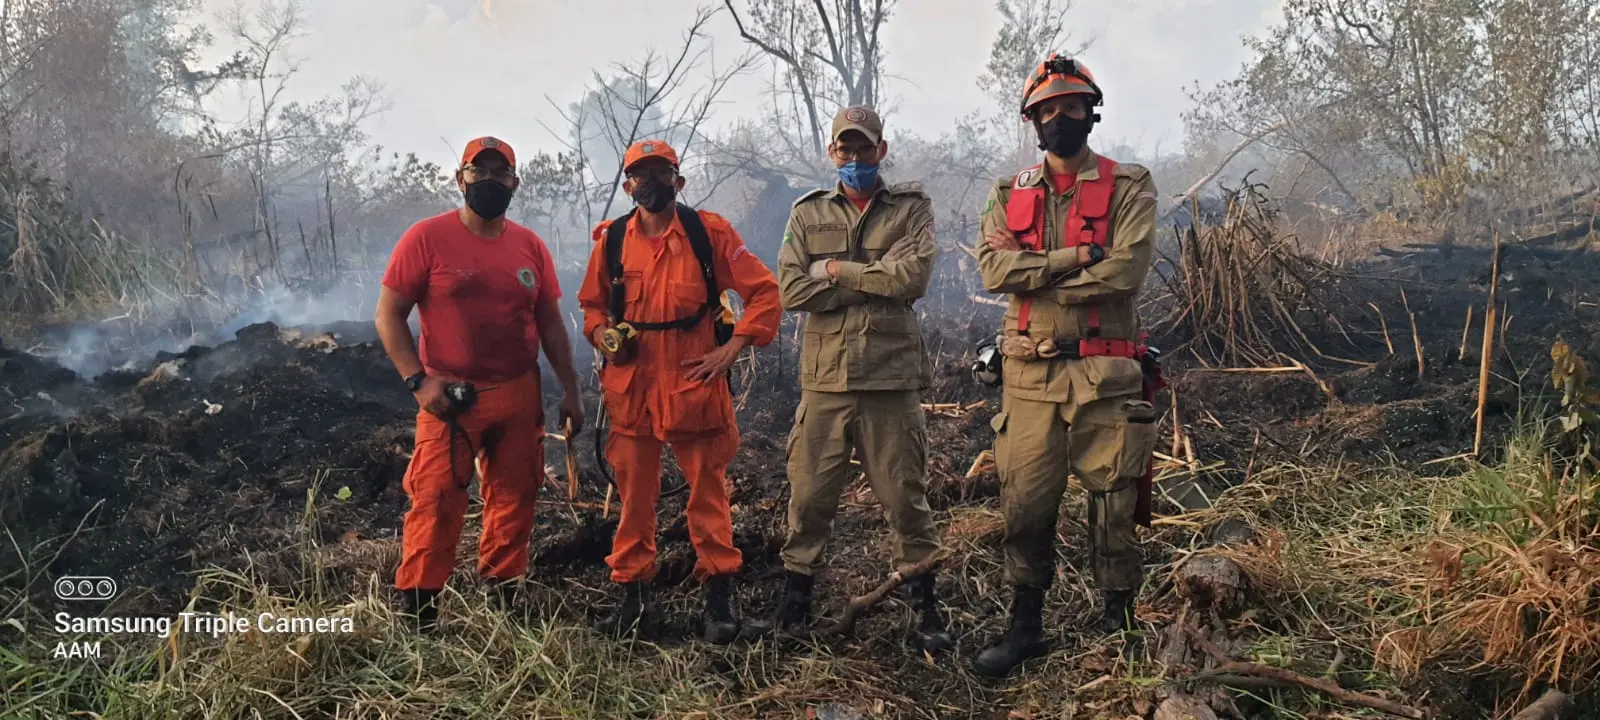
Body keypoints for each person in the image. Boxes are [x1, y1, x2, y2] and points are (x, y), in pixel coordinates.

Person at [971, 54, 1163, 677]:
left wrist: (1033, 272)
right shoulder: (1007, 193)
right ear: (1033, 120)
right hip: (1028, 379)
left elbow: (1125, 273)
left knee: (1114, 506)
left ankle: (1120, 625)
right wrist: (1078, 257)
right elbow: (993, 270)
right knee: (1025, 505)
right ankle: (1025, 627)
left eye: (1072, 106)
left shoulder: (1129, 185)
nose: (1060, 117)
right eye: (1047, 109)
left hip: (1107, 375)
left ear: (1091, 112)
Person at [375, 135, 584, 631]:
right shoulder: (426, 238)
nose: (489, 180)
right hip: (450, 398)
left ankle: (503, 594)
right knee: (436, 496)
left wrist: (571, 389)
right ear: (460, 179)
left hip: (518, 392)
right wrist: (417, 382)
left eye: (500, 173)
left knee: (516, 494)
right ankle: (420, 611)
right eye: (479, 171)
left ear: (515, 182)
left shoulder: (529, 246)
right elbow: (388, 315)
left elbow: (551, 323)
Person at [577, 139, 781, 644]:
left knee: (708, 495)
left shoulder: (708, 233)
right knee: (633, 499)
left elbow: (764, 292)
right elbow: (592, 306)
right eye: (640, 175)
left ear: (678, 180)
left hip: (694, 380)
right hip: (633, 386)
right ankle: (634, 600)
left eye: (660, 173)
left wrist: (732, 348)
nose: (650, 183)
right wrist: (603, 335)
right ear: (628, 186)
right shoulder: (612, 241)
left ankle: (719, 601)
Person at [769, 105, 952, 653]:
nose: (855, 157)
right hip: (824, 382)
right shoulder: (807, 213)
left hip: (890, 381)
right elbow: (792, 291)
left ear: (882, 150)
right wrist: (877, 277)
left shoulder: (911, 208)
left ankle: (926, 606)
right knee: (808, 498)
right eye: (845, 148)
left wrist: (833, 270)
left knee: (905, 499)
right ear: (832, 153)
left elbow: (912, 279)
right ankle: (795, 599)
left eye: (865, 147)